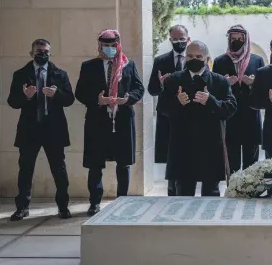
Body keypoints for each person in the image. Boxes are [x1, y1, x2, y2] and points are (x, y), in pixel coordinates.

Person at [75, 29, 145, 216]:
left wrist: (128, 98)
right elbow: (79, 92)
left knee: (123, 164)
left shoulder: (128, 65)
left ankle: (122, 201)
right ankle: (94, 203)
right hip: (97, 122)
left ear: (118, 44)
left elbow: (139, 88)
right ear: (99, 45)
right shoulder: (89, 66)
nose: (109, 49)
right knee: (95, 164)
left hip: (121, 120)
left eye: (113, 45)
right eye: (105, 45)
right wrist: (98, 100)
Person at [7, 39, 74, 221]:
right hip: (30, 129)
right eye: (38, 51)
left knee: (59, 170)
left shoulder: (60, 74)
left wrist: (56, 95)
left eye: (45, 51)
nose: (42, 54)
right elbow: (12, 102)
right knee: (26, 169)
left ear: (50, 53)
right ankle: (22, 208)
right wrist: (25, 96)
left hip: (54, 129)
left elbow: (70, 99)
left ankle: (63, 207)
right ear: (31, 53)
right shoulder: (20, 74)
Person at [163, 41, 237, 196]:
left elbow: (230, 109)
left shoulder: (220, 81)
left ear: (207, 59)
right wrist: (177, 102)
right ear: (184, 59)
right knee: (183, 192)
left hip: (211, 145)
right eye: (190, 56)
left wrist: (211, 101)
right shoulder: (173, 80)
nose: (194, 59)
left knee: (211, 192)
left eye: (198, 56)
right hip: (182, 145)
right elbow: (162, 109)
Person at [212, 25, 265, 173]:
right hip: (231, 118)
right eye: (233, 39)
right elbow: (213, 90)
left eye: (240, 39)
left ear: (245, 40)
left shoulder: (257, 61)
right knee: (232, 163)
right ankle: (233, 192)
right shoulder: (220, 61)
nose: (236, 41)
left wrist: (253, 84)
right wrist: (226, 83)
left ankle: (251, 192)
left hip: (251, 116)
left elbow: (264, 89)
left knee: (252, 164)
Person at [147, 24, 190, 196]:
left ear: (188, 39)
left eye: (182, 39)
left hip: (189, 114)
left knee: (188, 151)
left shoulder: (195, 58)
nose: (179, 42)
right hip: (168, 115)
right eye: (175, 39)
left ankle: (187, 186)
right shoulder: (160, 61)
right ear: (170, 40)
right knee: (170, 153)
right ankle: (172, 189)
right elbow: (152, 90)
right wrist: (161, 83)